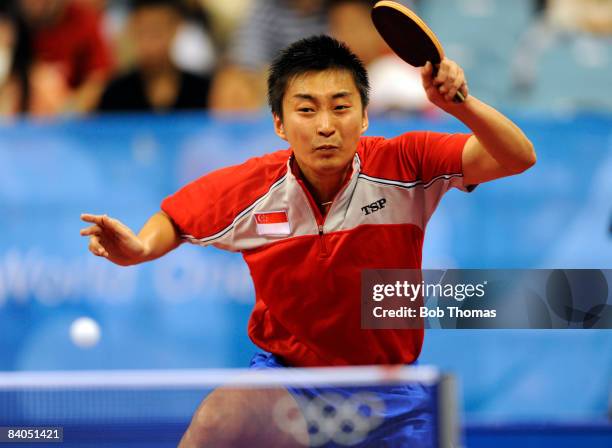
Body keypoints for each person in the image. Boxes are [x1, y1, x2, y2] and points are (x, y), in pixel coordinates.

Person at [80, 35, 535, 446]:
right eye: (306, 109)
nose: (325, 125)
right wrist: (139, 248)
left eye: (340, 107)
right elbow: (176, 219)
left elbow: (517, 156)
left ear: (364, 117)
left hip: (390, 391)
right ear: (279, 123)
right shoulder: (254, 189)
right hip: (289, 385)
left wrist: (460, 106)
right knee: (220, 417)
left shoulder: (406, 164)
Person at [97, 0, 212, 113]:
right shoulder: (115, 94)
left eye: (157, 31)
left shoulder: (202, 91)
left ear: (177, 28)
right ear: (132, 28)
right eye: (143, 31)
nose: (151, 43)